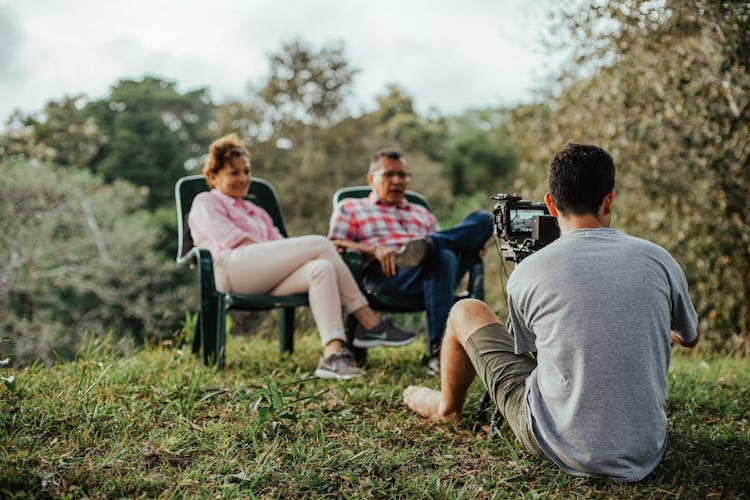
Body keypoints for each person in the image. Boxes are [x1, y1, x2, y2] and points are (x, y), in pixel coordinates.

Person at [403, 144, 699, 483]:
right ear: (609, 199)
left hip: (555, 443)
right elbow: (690, 337)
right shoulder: (659, 259)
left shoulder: (529, 271)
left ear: (549, 203)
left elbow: (527, 351)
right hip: (646, 448)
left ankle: (446, 410)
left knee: (465, 309)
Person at [188, 133, 416, 380]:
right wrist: (281, 254)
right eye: (234, 173)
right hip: (230, 271)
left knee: (321, 268)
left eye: (247, 171)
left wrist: (281, 255)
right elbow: (236, 240)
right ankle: (369, 321)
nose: (244, 178)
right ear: (213, 176)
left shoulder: (257, 212)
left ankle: (333, 354)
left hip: (267, 276)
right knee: (319, 244)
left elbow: (279, 247)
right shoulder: (206, 202)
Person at [328, 149, 493, 374]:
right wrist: (373, 249)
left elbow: (449, 246)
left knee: (483, 220)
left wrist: (469, 245)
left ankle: (430, 244)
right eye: (389, 174)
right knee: (443, 254)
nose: (397, 181)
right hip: (388, 273)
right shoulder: (351, 207)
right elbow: (333, 245)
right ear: (371, 179)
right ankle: (440, 352)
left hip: (434, 271)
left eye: (403, 175)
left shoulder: (421, 212)